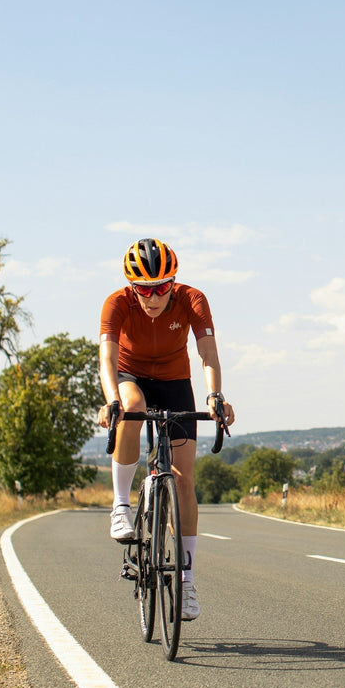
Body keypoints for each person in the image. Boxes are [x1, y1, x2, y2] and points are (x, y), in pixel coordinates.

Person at [96, 238, 235, 622]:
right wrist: (111, 400)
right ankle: (121, 506)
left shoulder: (193, 299)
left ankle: (186, 582)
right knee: (133, 407)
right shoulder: (117, 303)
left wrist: (215, 396)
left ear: (173, 282)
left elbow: (208, 352)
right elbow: (107, 357)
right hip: (130, 376)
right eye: (144, 289)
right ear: (131, 286)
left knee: (184, 479)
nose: (153, 297)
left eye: (161, 287)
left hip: (175, 381)